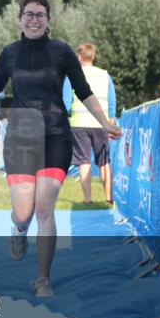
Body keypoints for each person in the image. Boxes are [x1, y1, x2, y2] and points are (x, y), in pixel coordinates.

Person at [0, 0, 121, 298]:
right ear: (20, 19)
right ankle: (17, 228)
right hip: (20, 139)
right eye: (28, 14)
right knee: (25, 212)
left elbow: (82, 90)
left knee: (45, 208)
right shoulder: (10, 53)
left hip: (56, 136)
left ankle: (43, 278)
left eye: (40, 15)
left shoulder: (62, 52)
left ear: (48, 20)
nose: (34, 19)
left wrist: (105, 122)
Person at [62, 43, 117, 204]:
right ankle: (109, 198)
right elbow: (112, 100)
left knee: (83, 162)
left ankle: (87, 200)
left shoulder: (72, 75)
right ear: (93, 56)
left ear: (79, 57)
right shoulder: (104, 75)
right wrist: (111, 121)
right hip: (101, 123)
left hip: (79, 124)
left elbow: (66, 101)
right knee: (104, 162)